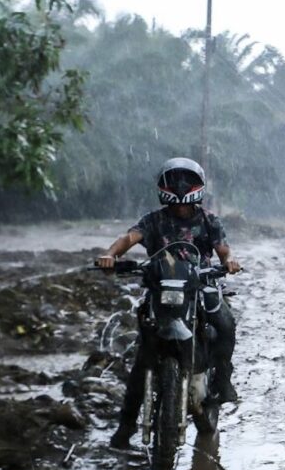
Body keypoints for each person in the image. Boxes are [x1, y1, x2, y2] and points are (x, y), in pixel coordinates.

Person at [97, 157, 242, 448]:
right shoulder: (153, 220)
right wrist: (110, 255)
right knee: (144, 358)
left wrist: (229, 261)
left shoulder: (209, 220)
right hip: (161, 291)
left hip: (200, 286)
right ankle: (126, 427)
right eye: (175, 181)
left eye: (185, 182)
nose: (180, 188)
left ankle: (222, 382)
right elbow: (128, 238)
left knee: (225, 324)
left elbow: (224, 250)